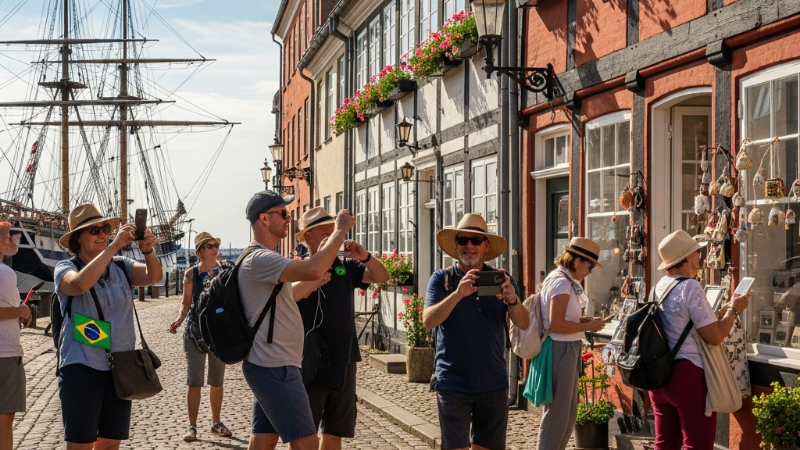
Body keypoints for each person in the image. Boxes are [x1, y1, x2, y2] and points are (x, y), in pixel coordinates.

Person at [238, 191, 355, 450]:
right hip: (275, 366)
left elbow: (291, 294)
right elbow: (314, 268)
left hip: (268, 363)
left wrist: (313, 283)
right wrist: (339, 231)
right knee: (306, 442)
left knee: (264, 440)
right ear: (264, 219)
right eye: (283, 213)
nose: (288, 219)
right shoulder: (261, 259)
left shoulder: (259, 259)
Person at [54, 204, 162, 450]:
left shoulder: (121, 266)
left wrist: (148, 252)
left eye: (104, 228)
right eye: (94, 230)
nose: (102, 234)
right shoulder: (66, 268)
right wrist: (113, 246)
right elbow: (79, 285)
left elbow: (153, 276)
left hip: (119, 367)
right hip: (82, 366)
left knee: (111, 442)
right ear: (77, 239)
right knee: (81, 443)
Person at [422, 213, 529, 450]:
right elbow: (428, 321)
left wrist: (512, 300)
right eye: (463, 240)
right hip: (452, 382)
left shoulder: (502, 279)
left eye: (476, 240)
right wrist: (458, 294)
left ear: (486, 245)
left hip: (493, 382)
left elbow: (523, 323)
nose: (469, 246)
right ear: (457, 244)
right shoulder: (443, 279)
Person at [292, 207, 390, 450]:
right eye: (326, 234)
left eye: (334, 233)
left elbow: (382, 277)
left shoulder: (344, 266)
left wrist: (365, 257)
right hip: (308, 362)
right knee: (305, 433)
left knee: (335, 431)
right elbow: (290, 297)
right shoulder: (297, 268)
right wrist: (312, 281)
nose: (333, 238)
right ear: (308, 237)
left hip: (344, 359)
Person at [649, 230, 749, 450]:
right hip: (687, 376)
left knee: (665, 444)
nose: (699, 257)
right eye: (696, 253)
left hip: (658, 376)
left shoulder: (658, 287)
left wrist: (721, 314)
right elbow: (714, 337)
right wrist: (734, 309)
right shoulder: (690, 287)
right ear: (684, 259)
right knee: (697, 445)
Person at [536, 237, 608, 450]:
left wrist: (583, 321)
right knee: (557, 416)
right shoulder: (561, 282)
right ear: (577, 261)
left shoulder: (562, 280)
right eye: (589, 265)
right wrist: (588, 327)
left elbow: (561, 319)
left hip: (567, 347)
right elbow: (557, 324)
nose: (590, 271)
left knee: (567, 416)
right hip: (561, 348)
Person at [169, 232, 233, 442]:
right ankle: (192, 427)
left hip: (218, 333)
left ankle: (216, 422)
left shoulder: (226, 271)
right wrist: (179, 319)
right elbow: (187, 302)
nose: (214, 248)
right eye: (208, 246)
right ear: (199, 252)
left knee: (217, 380)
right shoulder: (191, 274)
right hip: (194, 333)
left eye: (215, 244)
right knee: (194, 381)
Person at [0, 222, 31, 450]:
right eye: (13, 237)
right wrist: (22, 310)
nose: (15, 241)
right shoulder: (5, 273)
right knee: (4, 419)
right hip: (5, 354)